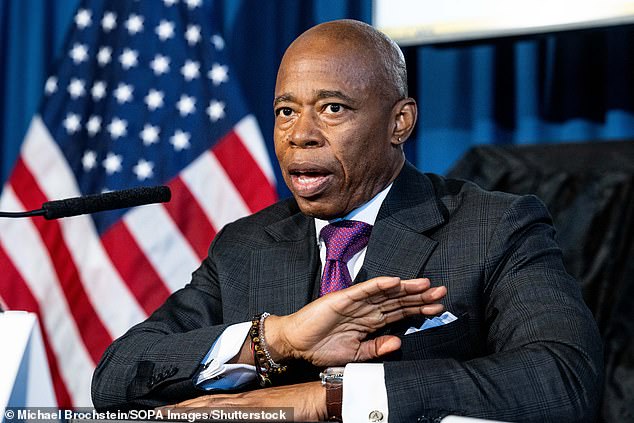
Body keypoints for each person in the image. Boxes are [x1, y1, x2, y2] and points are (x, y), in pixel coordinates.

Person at [92, 19, 603, 422]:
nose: (300, 135)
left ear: (399, 122)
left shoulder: (492, 228)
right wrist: (278, 340)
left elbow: (564, 380)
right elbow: (116, 380)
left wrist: (330, 398)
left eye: (332, 109)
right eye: (286, 111)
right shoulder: (245, 246)